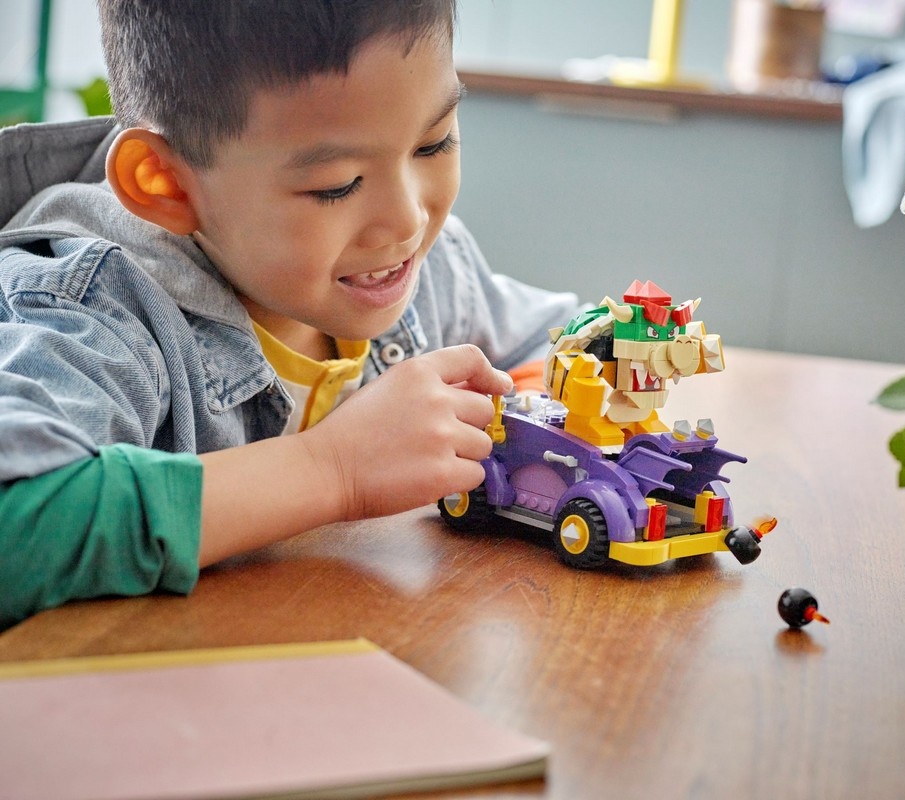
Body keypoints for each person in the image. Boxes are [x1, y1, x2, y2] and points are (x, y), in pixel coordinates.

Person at [0, 0, 582, 629]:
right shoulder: (91, 311)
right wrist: (332, 469)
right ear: (166, 183)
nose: (407, 219)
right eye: (337, 184)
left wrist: (536, 419)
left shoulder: (428, 268)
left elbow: (546, 350)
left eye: (433, 143)